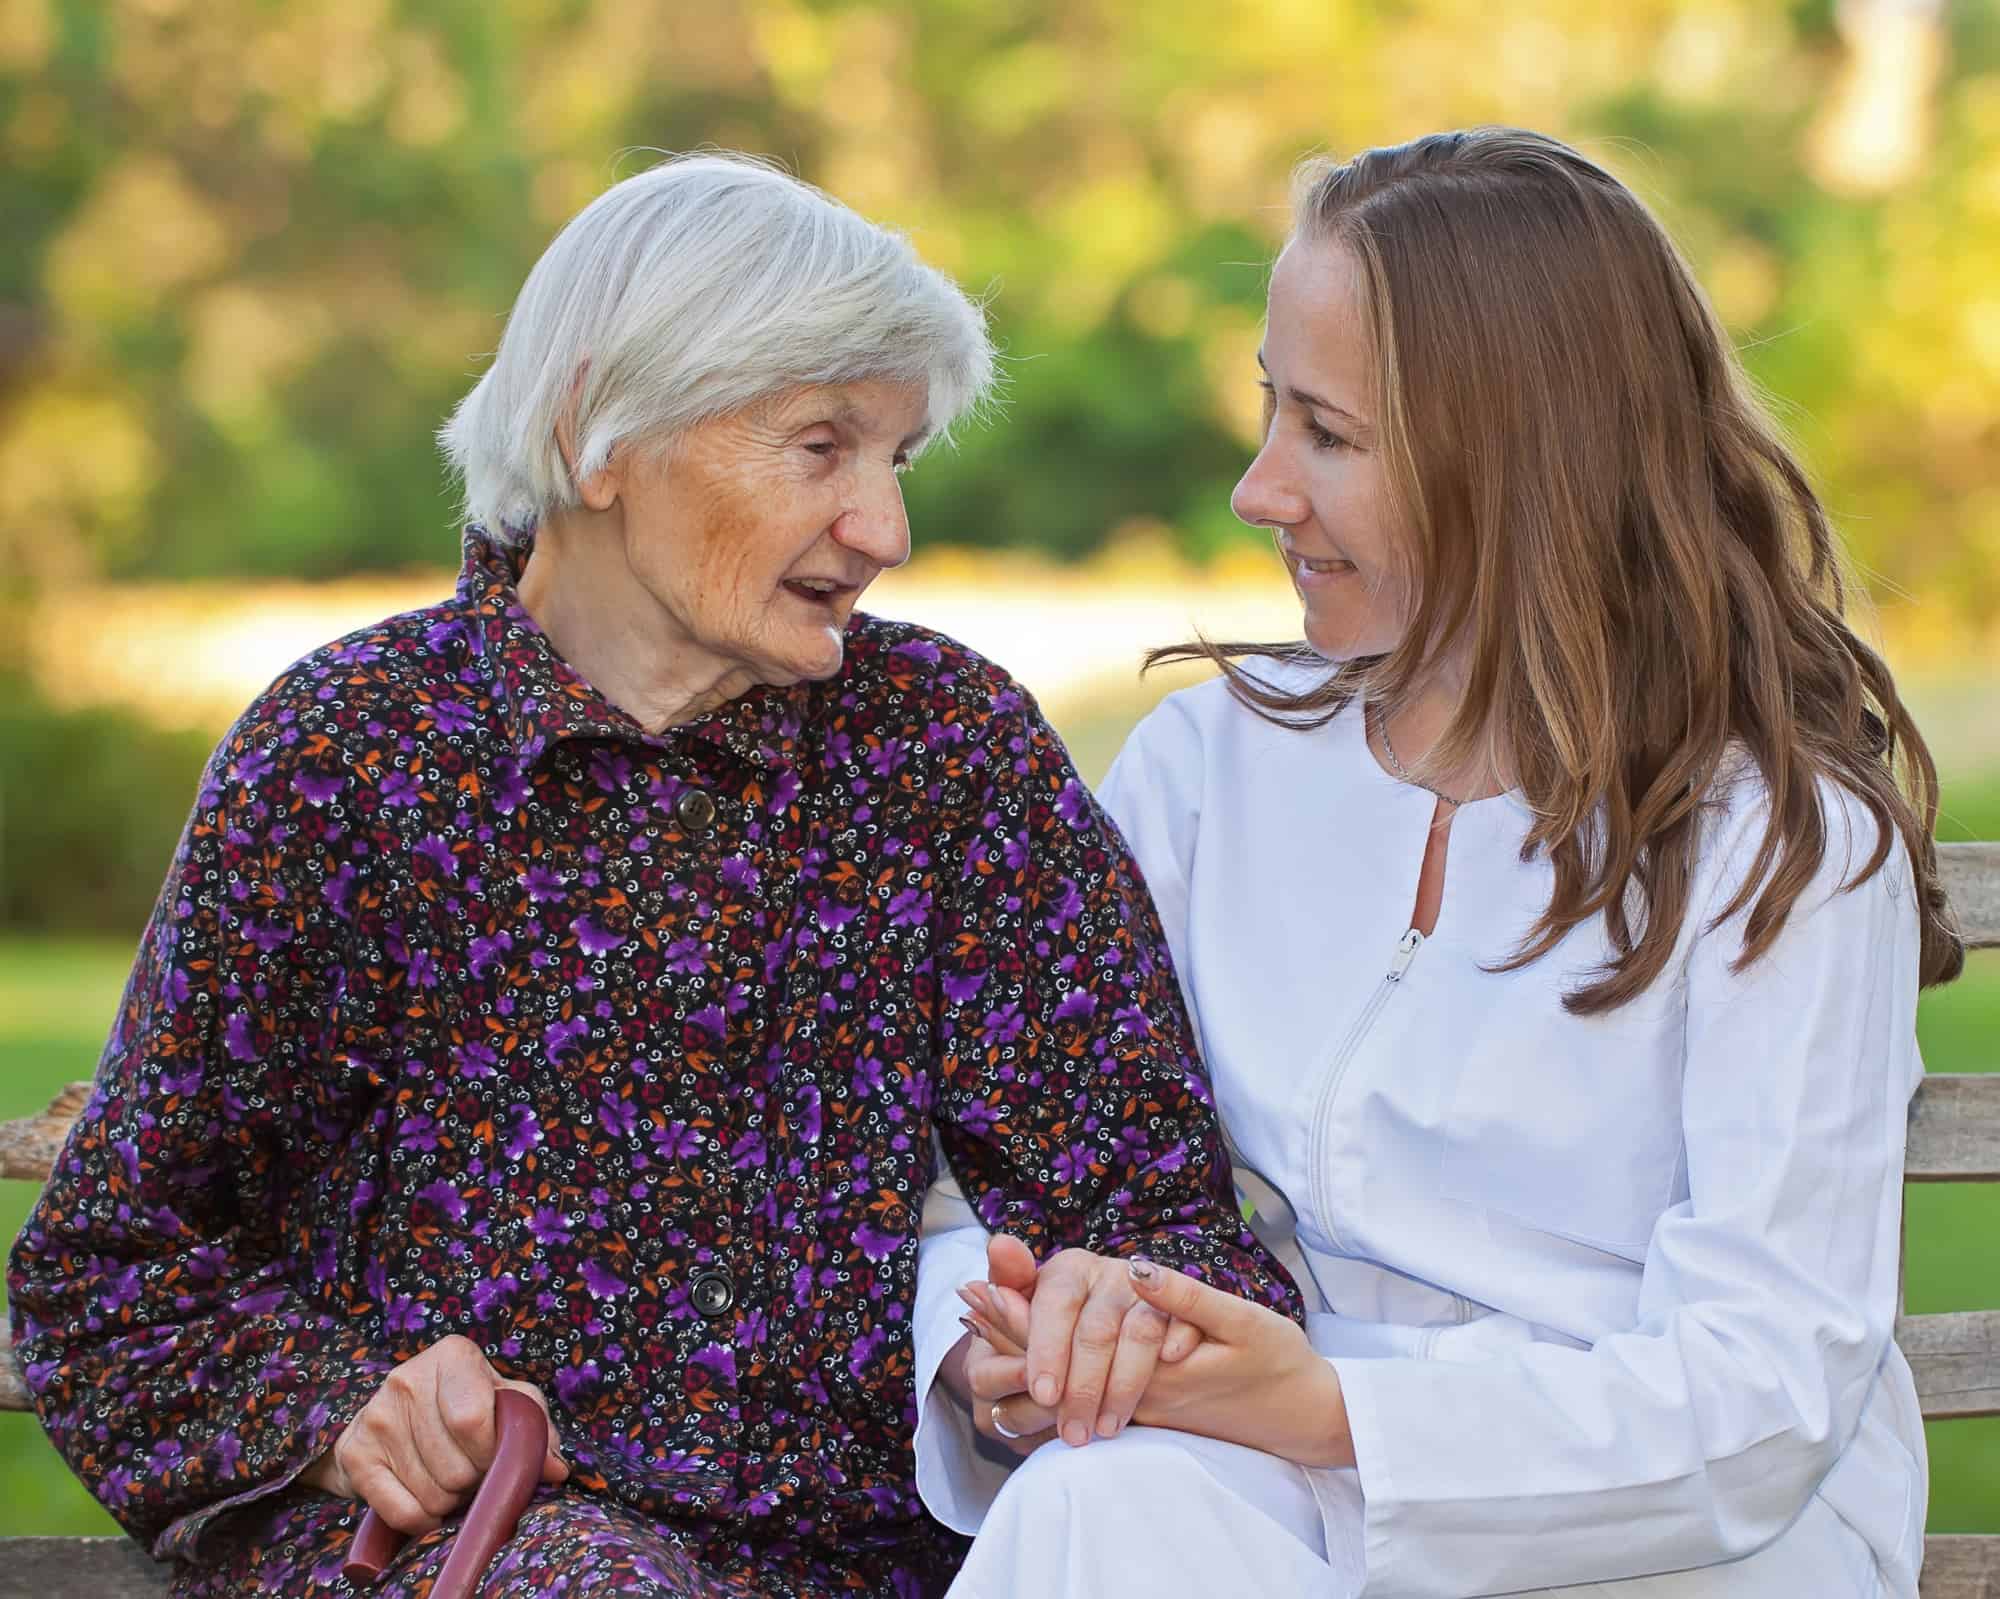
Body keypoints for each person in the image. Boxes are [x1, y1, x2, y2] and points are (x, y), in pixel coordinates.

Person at [5, 153, 1300, 1599]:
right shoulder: (351, 755)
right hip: (479, 1554)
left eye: (897, 461)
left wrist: (1096, 1313)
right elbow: (112, 1281)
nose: (886, 531)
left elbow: (1162, 1217)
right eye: (822, 448)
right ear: (598, 436)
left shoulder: (945, 753)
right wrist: (341, 1415)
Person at [916, 127, 1963, 1598]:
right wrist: (998, 1346)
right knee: (1102, 1512)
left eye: (1328, 435)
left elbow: (1764, 1390)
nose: (1260, 488)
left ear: (1521, 464)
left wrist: (1332, 1412)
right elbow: (984, 1185)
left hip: (1667, 1535)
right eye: (1271, 410)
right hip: (1283, 1490)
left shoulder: (1773, 848)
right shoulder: (1209, 774)